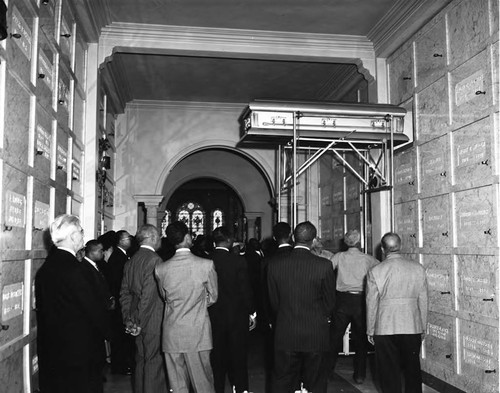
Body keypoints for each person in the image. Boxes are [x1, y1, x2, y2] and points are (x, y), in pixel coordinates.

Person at [35, 214, 111, 393]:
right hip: (80, 353)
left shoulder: (45, 269)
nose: (83, 236)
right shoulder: (77, 270)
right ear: (73, 236)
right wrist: (109, 331)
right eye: (81, 232)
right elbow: (93, 310)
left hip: (52, 351)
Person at [267, 221, 336, 393]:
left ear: (292, 238)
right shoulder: (324, 265)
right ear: (313, 241)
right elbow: (330, 302)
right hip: (315, 334)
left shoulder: (274, 265)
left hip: (286, 332)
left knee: (282, 381)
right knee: (316, 382)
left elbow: (273, 301)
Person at [155, 221, 218, 393]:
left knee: (177, 385)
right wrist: (197, 301)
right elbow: (213, 296)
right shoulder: (206, 265)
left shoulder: (161, 268)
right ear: (188, 237)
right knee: (203, 384)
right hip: (197, 332)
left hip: (172, 333)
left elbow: (165, 297)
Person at [366, 232, 428, 393]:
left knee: (387, 371)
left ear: (383, 249)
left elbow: (371, 303)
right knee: (412, 370)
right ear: (400, 247)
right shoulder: (418, 268)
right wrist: (422, 326)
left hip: (384, 327)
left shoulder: (375, 271)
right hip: (411, 325)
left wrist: (370, 329)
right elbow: (424, 300)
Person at [120, 224, 168, 393]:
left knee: (141, 360)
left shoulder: (131, 260)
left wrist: (129, 320)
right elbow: (149, 296)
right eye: (159, 236)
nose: (161, 239)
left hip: (135, 317)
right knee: (154, 362)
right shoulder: (155, 260)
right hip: (151, 319)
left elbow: (124, 293)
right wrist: (139, 322)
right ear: (152, 238)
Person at [329, 229, 378, 384]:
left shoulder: (338, 257)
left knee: (334, 338)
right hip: (360, 302)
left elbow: (325, 270)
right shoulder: (368, 259)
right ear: (359, 242)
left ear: (345, 242)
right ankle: (359, 375)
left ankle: (327, 372)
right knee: (360, 341)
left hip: (342, 301)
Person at [209, 226, 254, 393]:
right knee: (238, 356)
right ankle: (240, 388)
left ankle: (217, 388)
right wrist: (252, 312)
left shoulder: (206, 260)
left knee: (216, 357)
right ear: (229, 240)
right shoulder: (238, 261)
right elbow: (245, 289)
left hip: (213, 316)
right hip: (237, 316)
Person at [260, 222, 293, 393]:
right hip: (299, 318)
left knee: (278, 363)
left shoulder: (268, 261)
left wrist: (269, 318)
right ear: (291, 235)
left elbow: (265, 294)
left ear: (274, 238)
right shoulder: (296, 257)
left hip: (277, 318)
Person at [108, 230, 134, 375]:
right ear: (120, 241)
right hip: (119, 302)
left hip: (120, 301)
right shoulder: (118, 258)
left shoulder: (122, 256)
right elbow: (118, 282)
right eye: (127, 238)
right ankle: (120, 366)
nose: (129, 240)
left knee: (122, 337)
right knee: (119, 336)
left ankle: (122, 364)